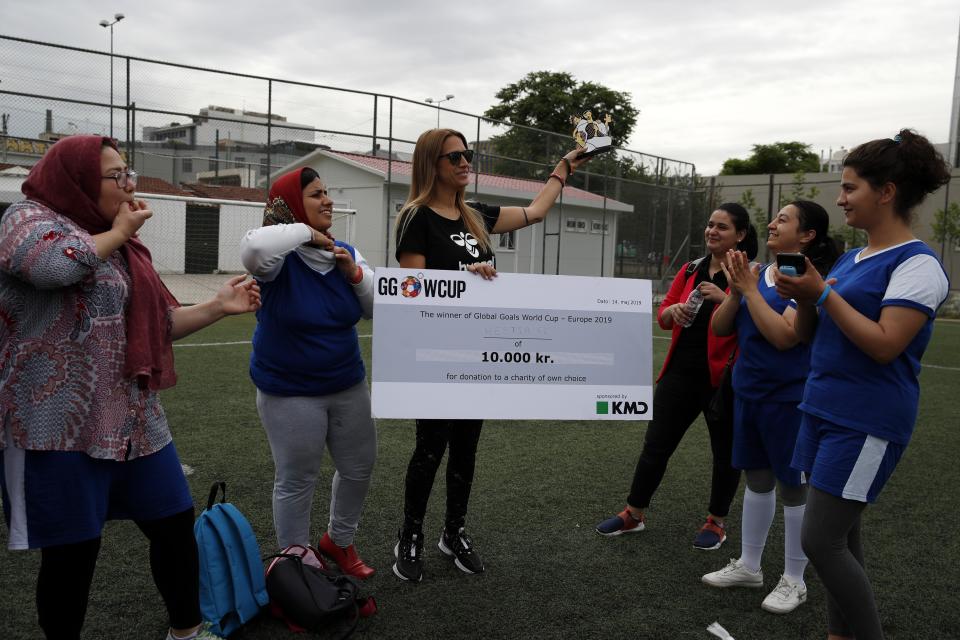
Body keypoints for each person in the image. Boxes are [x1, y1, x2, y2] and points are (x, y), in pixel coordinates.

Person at [0, 135, 261, 640]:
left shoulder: (118, 241)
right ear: (74, 177)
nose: (128, 185)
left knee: (173, 523)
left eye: (129, 174)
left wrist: (216, 307)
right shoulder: (26, 220)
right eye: (116, 175)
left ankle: (186, 632)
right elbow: (54, 266)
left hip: (134, 418)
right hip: (57, 425)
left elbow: (155, 326)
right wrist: (119, 232)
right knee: (74, 552)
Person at [774, 130, 950, 640]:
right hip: (823, 409)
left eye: (850, 188)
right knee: (843, 540)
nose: (840, 198)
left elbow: (884, 343)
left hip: (867, 420)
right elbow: (806, 335)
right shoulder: (852, 259)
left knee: (819, 541)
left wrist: (822, 297)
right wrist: (806, 296)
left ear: (887, 192)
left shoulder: (918, 264)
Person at [391, 128, 589, 582]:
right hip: (438, 355)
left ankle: (453, 532)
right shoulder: (415, 217)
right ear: (432, 165)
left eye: (469, 154)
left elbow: (536, 212)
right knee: (429, 450)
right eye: (455, 156)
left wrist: (562, 169)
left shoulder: (476, 213)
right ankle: (411, 535)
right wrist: (466, 277)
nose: (465, 163)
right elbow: (414, 295)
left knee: (466, 448)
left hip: (479, 356)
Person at [702, 201, 839, 614]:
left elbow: (785, 337)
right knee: (757, 479)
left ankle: (794, 580)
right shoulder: (757, 273)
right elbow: (720, 327)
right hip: (749, 394)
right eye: (775, 217)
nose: (773, 224)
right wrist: (738, 288)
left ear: (808, 235)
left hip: (788, 400)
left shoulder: (803, 278)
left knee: (793, 489)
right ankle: (749, 565)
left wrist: (745, 291)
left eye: (784, 219)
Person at [240, 167, 377, 579]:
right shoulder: (277, 260)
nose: (328, 201)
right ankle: (296, 561)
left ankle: (338, 539)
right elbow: (254, 248)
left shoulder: (345, 251)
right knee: (297, 477)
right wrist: (305, 232)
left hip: (347, 382)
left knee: (359, 466)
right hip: (289, 389)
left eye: (327, 192)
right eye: (316, 195)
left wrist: (353, 273)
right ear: (293, 208)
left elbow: (376, 308)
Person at [596, 203, 757, 549]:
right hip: (680, 374)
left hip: (724, 378)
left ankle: (716, 522)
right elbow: (663, 315)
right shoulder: (690, 269)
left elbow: (757, 322)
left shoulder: (749, 273)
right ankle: (634, 513)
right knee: (655, 445)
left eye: (722, 227)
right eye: (710, 225)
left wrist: (726, 297)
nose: (712, 231)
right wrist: (673, 309)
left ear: (741, 235)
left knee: (725, 454)